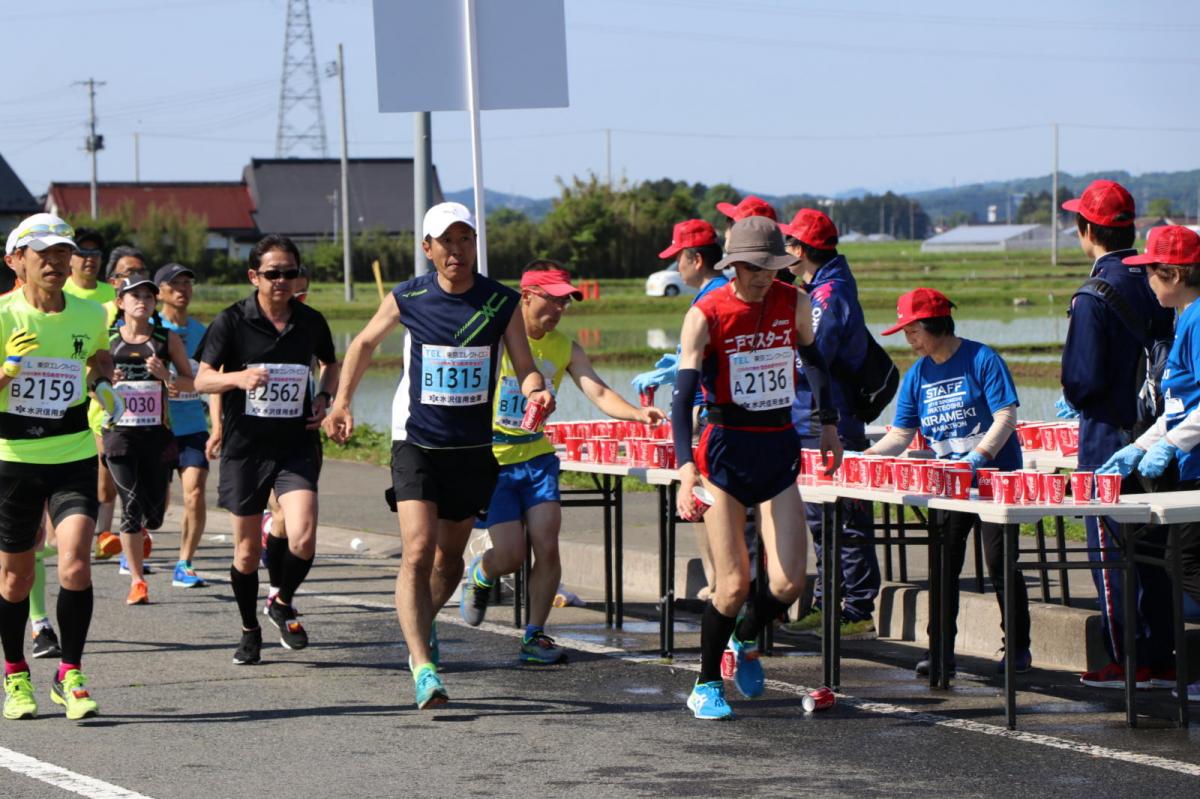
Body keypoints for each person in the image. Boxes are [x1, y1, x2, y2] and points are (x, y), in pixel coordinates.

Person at [324, 201, 554, 709]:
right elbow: (362, 344)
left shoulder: (500, 302)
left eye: (464, 239)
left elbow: (526, 364)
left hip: (471, 450)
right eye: (445, 241)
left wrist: (536, 390)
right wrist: (342, 402)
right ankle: (422, 665)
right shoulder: (409, 296)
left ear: (475, 243)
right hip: (417, 443)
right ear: (428, 249)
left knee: (449, 561)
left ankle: (422, 627)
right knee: (418, 549)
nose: (456, 250)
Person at [672, 215, 842, 719]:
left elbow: (814, 360)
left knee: (791, 582)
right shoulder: (706, 312)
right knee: (733, 584)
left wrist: (828, 424)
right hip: (724, 452)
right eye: (756, 268)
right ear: (735, 265)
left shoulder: (794, 302)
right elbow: (681, 400)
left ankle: (744, 640)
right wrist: (685, 468)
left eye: (775, 266)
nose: (767, 276)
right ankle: (704, 684)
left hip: (777, 447)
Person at [460, 260, 666, 663]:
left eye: (564, 304)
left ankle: (534, 637)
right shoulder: (495, 339)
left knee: (547, 542)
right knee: (511, 554)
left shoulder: (565, 347)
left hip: (536, 457)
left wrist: (638, 414)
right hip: (493, 460)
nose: (557, 311)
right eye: (550, 301)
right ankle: (481, 574)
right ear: (526, 295)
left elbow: (600, 392)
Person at [865, 288, 1030, 675]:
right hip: (947, 484)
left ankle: (1018, 648)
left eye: (913, 331)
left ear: (934, 326)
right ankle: (940, 651)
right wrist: (867, 457)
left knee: (999, 562)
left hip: (995, 479)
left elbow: (1006, 416)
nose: (909, 340)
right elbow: (901, 434)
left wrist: (977, 459)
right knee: (943, 563)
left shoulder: (982, 359)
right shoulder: (918, 374)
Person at [1, 213, 123, 721]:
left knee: (75, 562)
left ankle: (69, 672)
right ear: (16, 261)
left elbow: (96, 357)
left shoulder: (91, 313)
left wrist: (102, 382)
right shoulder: (4, 316)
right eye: (43, 253)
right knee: (14, 578)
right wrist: (7, 369)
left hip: (72, 451)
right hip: (13, 460)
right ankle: (15, 674)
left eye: (62, 252)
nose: (55, 261)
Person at [195, 235, 339, 665]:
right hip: (246, 448)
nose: (282, 281)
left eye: (290, 273)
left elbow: (331, 363)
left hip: (295, 443)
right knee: (244, 553)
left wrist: (324, 398)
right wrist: (238, 379)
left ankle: (281, 600)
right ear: (254, 276)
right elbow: (201, 380)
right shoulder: (232, 321)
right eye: (273, 273)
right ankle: (249, 630)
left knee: (305, 534)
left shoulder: (310, 321)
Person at [1061, 179, 1177, 690]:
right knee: (1155, 549)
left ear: (1087, 230)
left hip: (1108, 437)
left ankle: (1125, 658)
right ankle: (1162, 657)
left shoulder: (1093, 295)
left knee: (1110, 553)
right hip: (1160, 433)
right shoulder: (1157, 280)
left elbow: (1081, 380)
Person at [781, 209, 881, 639]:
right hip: (810, 416)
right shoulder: (817, 285)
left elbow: (813, 356)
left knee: (846, 516)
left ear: (800, 249)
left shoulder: (830, 293)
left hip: (831, 419)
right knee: (822, 518)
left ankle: (856, 608)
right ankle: (825, 603)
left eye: (788, 244)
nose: (784, 252)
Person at [1111, 225, 1200, 703]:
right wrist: (1144, 444)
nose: (1147, 282)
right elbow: (1178, 405)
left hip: (1197, 464)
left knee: (1186, 564)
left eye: (1151, 273)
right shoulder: (1186, 318)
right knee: (1180, 561)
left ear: (1176, 272)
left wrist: (1173, 444)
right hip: (1188, 463)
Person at [633, 219, 730, 597]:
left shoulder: (715, 295)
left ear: (696, 258)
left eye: (679, 258)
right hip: (704, 411)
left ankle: (724, 583)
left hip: (712, 414)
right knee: (698, 502)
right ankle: (717, 581)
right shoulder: (706, 294)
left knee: (707, 501)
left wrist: (681, 375)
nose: (676, 267)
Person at [105, 276, 194, 605]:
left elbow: (191, 383)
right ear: (120, 302)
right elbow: (88, 383)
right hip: (119, 434)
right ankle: (138, 581)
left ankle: (143, 531)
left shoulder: (166, 339)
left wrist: (166, 376)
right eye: (134, 295)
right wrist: (104, 380)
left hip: (157, 436)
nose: (142, 300)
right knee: (129, 506)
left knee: (153, 515)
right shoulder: (108, 339)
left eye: (148, 295)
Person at [93, 246, 153, 562]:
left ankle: (129, 536)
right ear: (114, 282)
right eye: (128, 274)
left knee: (141, 491)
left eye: (140, 272)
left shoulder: (153, 321)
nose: (135, 279)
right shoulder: (98, 315)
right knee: (110, 482)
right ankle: (107, 535)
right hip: (101, 410)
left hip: (147, 420)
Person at [155, 263, 210, 589]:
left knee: (195, 492)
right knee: (157, 505)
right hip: (155, 428)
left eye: (188, 283)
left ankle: (185, 562)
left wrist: (218, 426)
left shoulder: (203, 332)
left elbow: (210, 381)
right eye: (174, 285)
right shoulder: (150, 328)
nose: (182, 290)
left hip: (192, 426)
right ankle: (140, 538)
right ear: (159, 291)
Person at [62, 228, 115, 306]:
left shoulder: (112, 292)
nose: (90, 258)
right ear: (69, 258)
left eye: (95, 253)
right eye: (83, 253)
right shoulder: (59, 292)